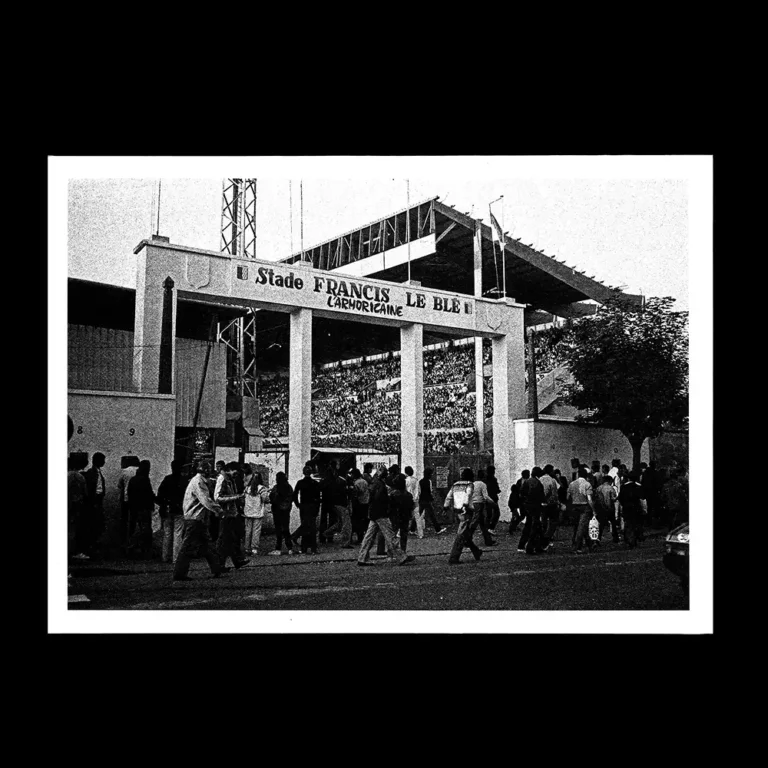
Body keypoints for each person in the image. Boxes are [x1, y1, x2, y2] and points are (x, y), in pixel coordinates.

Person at [173, 461, 226, 581]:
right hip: (194, 518)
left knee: (207, 545)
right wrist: (219, 510)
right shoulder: (199, 482)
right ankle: (179, 573)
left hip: (197, 518)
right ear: (205, 471)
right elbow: (206, 500)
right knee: (188, 547)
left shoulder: (198, 481)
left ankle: (217, 568)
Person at [357, 467, 413, 566]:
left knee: (369, 537)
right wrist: (388, 501)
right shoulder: (381, 485)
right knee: (390, 535)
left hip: (373, 513)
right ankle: (401, 556)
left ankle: (362, 557)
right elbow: (380, 499)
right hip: (381, 514)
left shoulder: (374, 483)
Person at [215, 462, 250, 568]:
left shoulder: (230, 480)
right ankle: (219, 564)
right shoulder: (222, 479)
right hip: (225, 513)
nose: (236, 474)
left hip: (231, 513)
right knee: (224, 540)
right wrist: (235, 498)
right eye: (236, 472)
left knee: (233, 538)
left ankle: (237, 560)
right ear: (229, 469)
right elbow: (217, 498)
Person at [446, 467, 483, 564]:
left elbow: (449, 496)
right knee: (461, 534)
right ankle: (454, 557)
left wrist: (445, 506)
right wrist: (466, 505)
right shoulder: (469, 484)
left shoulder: (455, 485)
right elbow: (468, 494)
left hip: (457, 510)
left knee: (465, 533)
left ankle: (476, 551)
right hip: (466, 511)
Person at [157, 459, 186, 564]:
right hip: (179, 508)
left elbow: (160, 493)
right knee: (178, 533)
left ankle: (165, 556)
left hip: (167, 508)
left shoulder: (167, 479)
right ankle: (176, 557)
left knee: (167, 533)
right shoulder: (183, 480)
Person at [127, 460, 157, 559]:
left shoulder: (133, 479)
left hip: (134, 507)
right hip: (144, 507)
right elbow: (149, 494)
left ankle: (132, 548)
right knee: (145, 529)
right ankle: (145, 550)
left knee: (134, 528)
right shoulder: (145, 480)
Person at [319, 462, 353, 548]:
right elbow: (345, 492)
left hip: (329, 501)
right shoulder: (341, 481)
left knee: (335, 521)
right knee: (344, 523)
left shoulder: (328, 478)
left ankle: (325, 534)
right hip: (340, 503)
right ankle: (341, 541)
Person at [82, 451, 107, 558]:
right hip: (94, 503)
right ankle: (91, 548)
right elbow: (94, 489)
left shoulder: (96, 473)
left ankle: (92, 548)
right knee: (94, 526)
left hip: (96, 502)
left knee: (96, 526)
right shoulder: (92, 473)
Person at [292, 463, 321, 554]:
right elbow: (318, 498)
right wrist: (317, 508)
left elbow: (295, 494)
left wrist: (298, 504)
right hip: (312, 507)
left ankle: (304, 547)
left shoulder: (300, 483)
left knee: (305, 526)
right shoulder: (315, 483)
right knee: (312, 528)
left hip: (304, 507)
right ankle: (313, 548)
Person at [568, 466, 596, 553]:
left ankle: (588, 544)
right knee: (582, 527)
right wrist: (594, 510)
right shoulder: (587, 484)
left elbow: (568, 497)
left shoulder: (572, 484)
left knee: (577, 527)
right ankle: (577, 547)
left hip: (574, 506)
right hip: (584, 506)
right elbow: (589, 499)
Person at [518, 467, 545, 554]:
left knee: (529, 525)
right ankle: (531, 546)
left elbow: (521, 493)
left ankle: (522, 545)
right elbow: (541, 496)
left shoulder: (527, 481)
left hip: (527, 506)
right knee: (535, 526)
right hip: (536, 506)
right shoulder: (538, 483)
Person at [268, 471, 297, 555]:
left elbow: (271, 498)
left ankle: (278, 548)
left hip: (277, 510)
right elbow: (292, 498)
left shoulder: (276, 488)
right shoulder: (289, 487)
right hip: (286, 510)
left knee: (278, 530)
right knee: (286, 529)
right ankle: (290, 548)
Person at [243, 467, 269, 554]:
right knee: (256, 531)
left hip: (248, 512)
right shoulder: (262, 488)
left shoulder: (247, 488)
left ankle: (247, 548)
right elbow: (265, 499)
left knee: (248, 530)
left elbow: (243, 498)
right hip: (258, 512)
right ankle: (254, 548)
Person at [68, 454, 89, 560]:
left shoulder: (67, 475)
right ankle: (74, 551)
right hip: (76, 504)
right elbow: (85, 492)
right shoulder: (79, 476)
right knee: (74, 529)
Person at [618, 470, 645, 548]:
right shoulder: (638, 486)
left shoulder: (623, 487)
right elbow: (642, 499)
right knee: (636, 523)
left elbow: (620, 499)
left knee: (628, 524)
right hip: (636, 508)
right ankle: (635, 538)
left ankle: (629, 539)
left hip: (627, 508)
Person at [117, 455, 140, 545]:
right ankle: (132, 539)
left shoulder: (125, 471)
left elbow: (119, 485)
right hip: (137, 499)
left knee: (124, 519)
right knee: (134, 520)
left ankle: (125, 540)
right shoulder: (139, 470)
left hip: (126, 499)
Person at [471, 469, 496, 546]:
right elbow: (485, 496)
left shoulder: (473, 484)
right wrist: (493, 503)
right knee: (475, 523)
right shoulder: (483, 484)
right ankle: (466, 539)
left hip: (473, 503)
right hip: (480, 504)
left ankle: (488, 541)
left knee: (482, 523)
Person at [419, 467, 447, 535]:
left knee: (418, 514)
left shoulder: (420, 481)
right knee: (432, 515)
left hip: (421, 499)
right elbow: (430, 491)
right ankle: (438, 529)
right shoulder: (429, 481)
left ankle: (411, 529)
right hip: (427, 500)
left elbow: (419, 491)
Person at [540, 464, 561, 551]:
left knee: (543, 522)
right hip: (551, 504)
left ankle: (542, 538)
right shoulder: (552, 480)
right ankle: (547, 538)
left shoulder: (540, 479)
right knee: (553, 522)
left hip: (541, 504)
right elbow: (555, 494)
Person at [594, 474, 620, 543]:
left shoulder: (598, 488)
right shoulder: (611, 488)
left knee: (601, 524)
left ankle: (598, 538)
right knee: (613, 523)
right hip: (610, 508)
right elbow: (613, 498)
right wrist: (618, 497)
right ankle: (615, 538)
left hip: (601, 509)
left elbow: (596, 498)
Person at [349, 468, 370, 544]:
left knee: (357, 521)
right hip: (365, 503)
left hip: (359, 504)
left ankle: (359, 538)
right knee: (363, 521)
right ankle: (361, 537)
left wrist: (353, 490)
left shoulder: (357, 482)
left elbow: (359, 492)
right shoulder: (364, 481)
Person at [403, 466, 423, 538]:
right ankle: (421, 534)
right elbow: (419, 491)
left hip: (407, 500)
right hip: (415, 500)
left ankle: (399, 533)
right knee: (417, 517)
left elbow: (404, 490)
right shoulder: (416, 480)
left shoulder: (405, 480)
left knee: (405, 516)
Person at [508, 470, 528, 535]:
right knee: (521, 515)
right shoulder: (523, 482)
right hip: (520, 501)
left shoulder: (520, 481)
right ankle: (513, 527)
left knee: (521, 515)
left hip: (519, 502)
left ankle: (514, 526)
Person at [485, 465, 501, 532]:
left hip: (487, 498)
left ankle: (487, 528)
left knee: (489, 514)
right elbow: (496, 489)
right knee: (496, 513)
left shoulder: (485, 479)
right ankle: (490, 528)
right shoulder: (493, 479)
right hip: (493, 498)